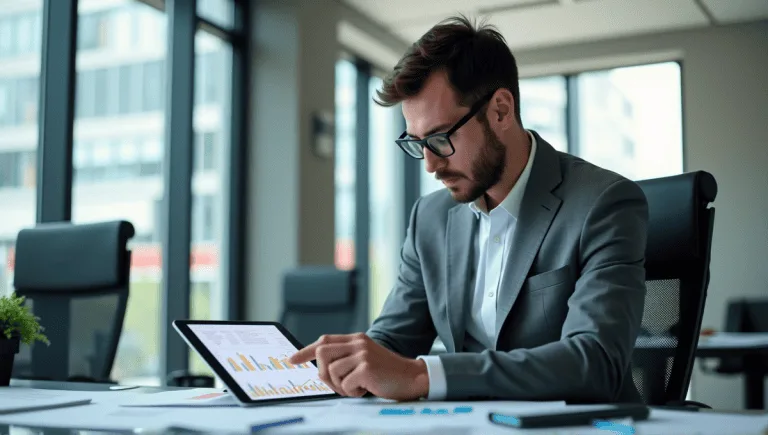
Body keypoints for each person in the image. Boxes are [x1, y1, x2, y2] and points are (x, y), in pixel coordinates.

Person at [290, 15, 648, 403]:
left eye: (441, 138)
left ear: (500, 110)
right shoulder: (429, 219)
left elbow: (596, 362)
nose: (429, 164)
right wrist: (351, 365)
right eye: (417, 143)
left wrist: (423, 375)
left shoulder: (603, 203)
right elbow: (393, 341)